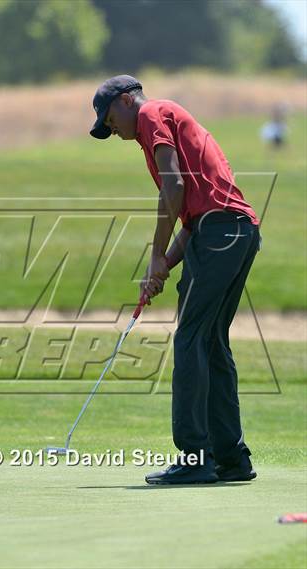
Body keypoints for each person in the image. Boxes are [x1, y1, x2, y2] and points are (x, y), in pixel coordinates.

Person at [90, 75, 261, 485]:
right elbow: (191, 215)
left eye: (110, 118)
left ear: (128, 101)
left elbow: (174, 186)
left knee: (190, 340)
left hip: (219, 234)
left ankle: (195, 458)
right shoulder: (161, 125)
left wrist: (152, 256)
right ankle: (231, 460)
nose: (111, 130)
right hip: (233, 231)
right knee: (211, 343)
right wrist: (163, 265)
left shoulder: (152, 114)